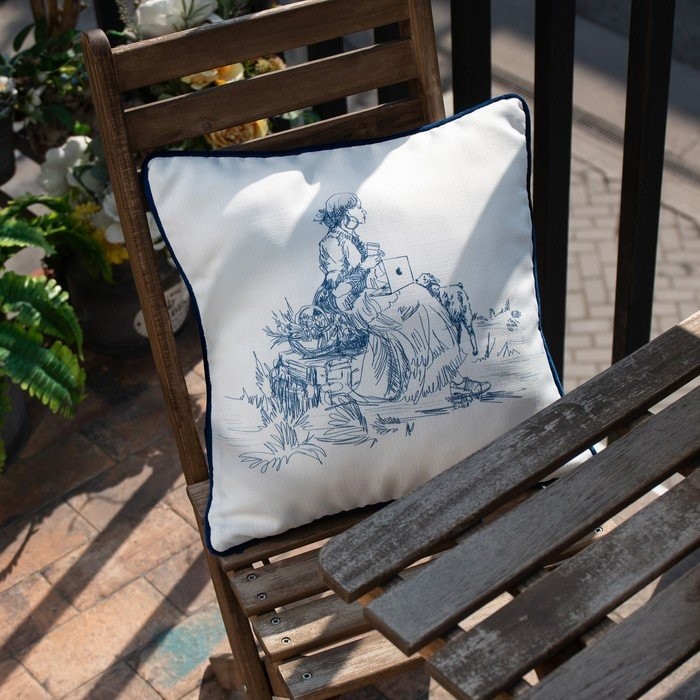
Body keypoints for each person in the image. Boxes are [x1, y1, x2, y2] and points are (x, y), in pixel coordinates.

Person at [313, 193, 490, 404]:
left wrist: (381, 272)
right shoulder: (331, 243)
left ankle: (450, 380)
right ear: (346, 214)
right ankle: (454, 381)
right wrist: (364, 267)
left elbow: (365, 279)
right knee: (421, 305)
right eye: (358, 208)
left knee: (420, 297)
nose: (363, 211)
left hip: (369, 297)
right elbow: (336, 289)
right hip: (353, 306)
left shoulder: (351, 237)